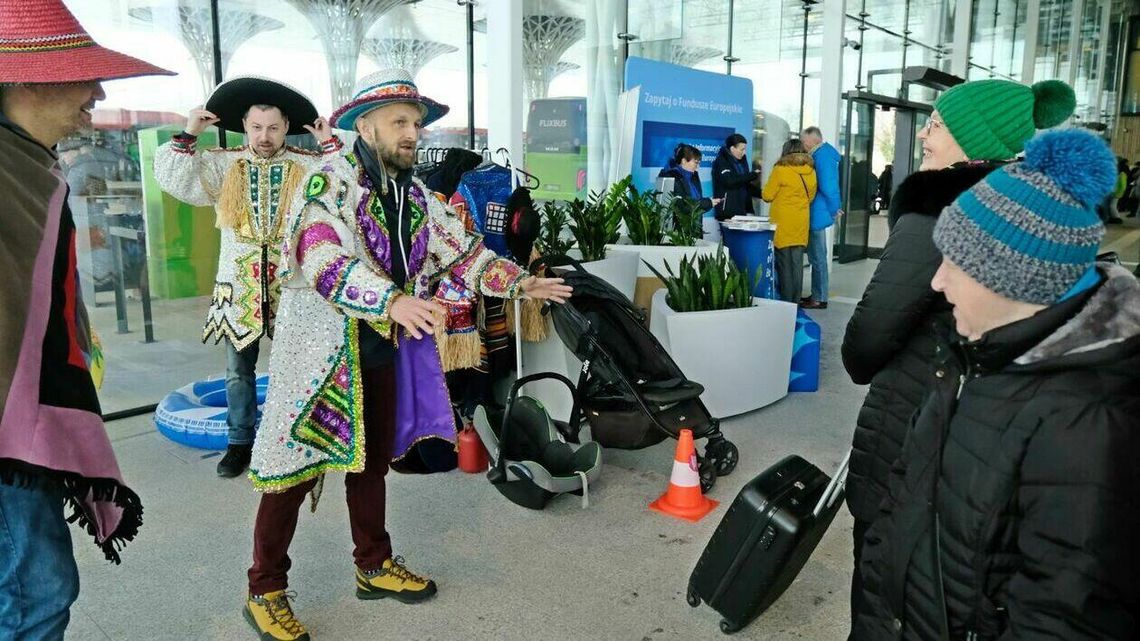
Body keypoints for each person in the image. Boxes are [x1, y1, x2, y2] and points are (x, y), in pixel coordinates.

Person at [241, 69, 572, 641]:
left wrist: (519, 282)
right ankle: (264, 590)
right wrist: (389, 300)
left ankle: (373, 566)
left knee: (371, 465)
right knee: (289, 471)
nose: (412, 133)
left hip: (381, 351)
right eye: (400, 122)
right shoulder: (328, 181)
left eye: (416, 123)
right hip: (319, 357)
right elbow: (320, 259)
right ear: (363, 126)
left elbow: (463, 254)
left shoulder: (417, 194)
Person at [852, 127, 1140, 641]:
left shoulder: (1091, 424)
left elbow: (1064, 615)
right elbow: (903, 503)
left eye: (954, 264)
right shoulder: (968, 353)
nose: (937, 282)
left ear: (1015, 281)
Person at [840, 78, 1076, 638]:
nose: (923, 132)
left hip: (911, 423)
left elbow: (867, 340)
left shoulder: (934, 215)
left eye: (938, 124)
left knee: (883, 576)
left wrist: (860, 356)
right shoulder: (1028, 216)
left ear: (975, 138)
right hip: (984, 442)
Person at [0, 1, 173, 638]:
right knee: (35, 591)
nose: (97, 91)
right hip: (6, 432)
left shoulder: (30, 167)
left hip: (21, 420)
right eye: (82, 74)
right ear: (22, 79)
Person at [154, 77, 345, 478]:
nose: (264, 136)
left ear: (285, 127)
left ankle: (293, 440)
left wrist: (328, 143)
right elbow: (174, 176)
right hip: (238, 284)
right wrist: (190, 133)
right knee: (238, 371)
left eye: (273, 127)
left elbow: (346, 186)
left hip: (291, 284)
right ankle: (239, 443)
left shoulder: (304, 164)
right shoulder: (224, 164)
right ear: (245, 126)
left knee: (295, 363)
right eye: (257, 127)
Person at [761, 138, 816, 303]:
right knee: (797, 263)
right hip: (801, 221)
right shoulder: (810, 171)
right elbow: (811, 197)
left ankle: (787, 302)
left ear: (785, 151)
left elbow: (767, 196)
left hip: (783, 221)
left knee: (784, 263)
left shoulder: (780, 170)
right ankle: (796, 300)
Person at [799, 126, 842, 309]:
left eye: (803, 140)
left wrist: (835, 209)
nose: (802, 143)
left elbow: (829, 186)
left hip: (818, 212)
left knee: (817, 258)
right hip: (819, 211)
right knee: (817, 257)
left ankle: (819, 297)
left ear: (812, 140)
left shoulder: (822, 156)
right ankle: (818, 294)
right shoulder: (822, 154)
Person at [658, 142, 721, 213]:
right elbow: (681, 206)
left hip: (694, 223)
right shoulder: (671, 177)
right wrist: (707, 203)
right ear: (684, 161)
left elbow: (697, 201)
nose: (698, 167)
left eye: (699, 163)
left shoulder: (694, 176)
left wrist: (710, 202)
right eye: (696, 163)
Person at [711, 133, 761, 220]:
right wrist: (752, 175)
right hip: (728, 212)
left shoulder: (742, 162)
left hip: (743, 210)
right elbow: (729, 181)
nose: (744, 152)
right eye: (742, 149)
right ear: (732, 148)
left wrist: (763, 194)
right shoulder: (722, 161)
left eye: (745, 149)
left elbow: (744, 183)